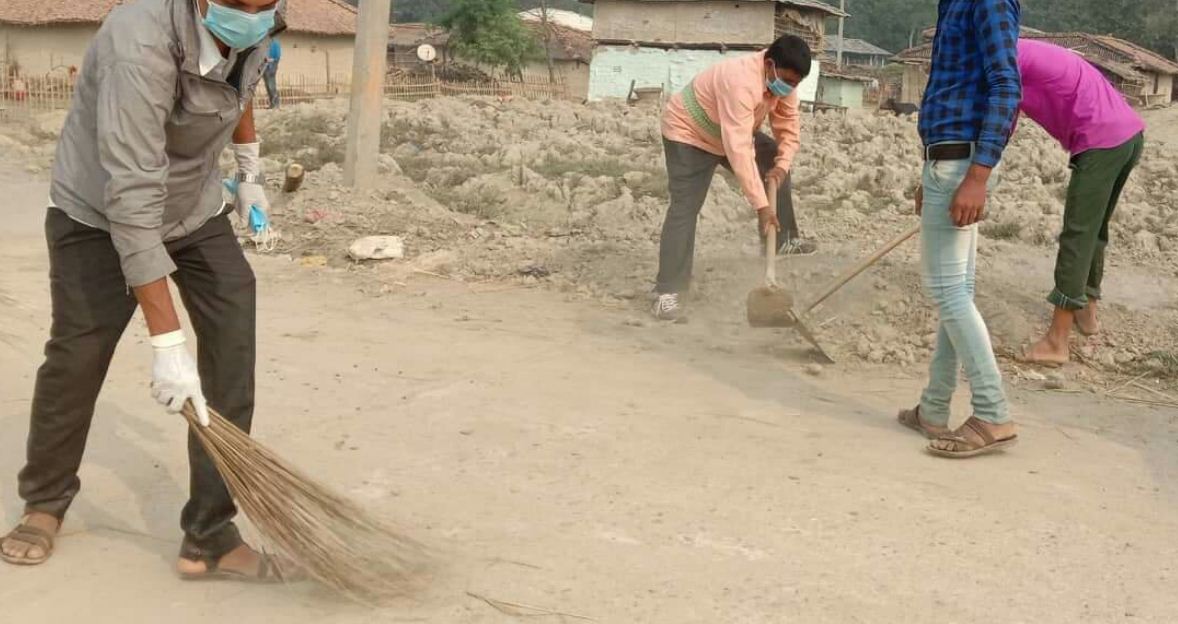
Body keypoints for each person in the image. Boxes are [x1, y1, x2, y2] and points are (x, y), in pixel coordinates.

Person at [1, 0, 294, 582]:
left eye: (267, 4)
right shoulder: (141, 42)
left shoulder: (262, 23)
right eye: (240, 4)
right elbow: (132, 198)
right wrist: (165, 342)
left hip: (194, 207)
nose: (254, 14)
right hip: (100, 212)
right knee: (79, 353)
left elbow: (242, 86)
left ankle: (209, 534)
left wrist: (250, 172)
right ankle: (45, 503)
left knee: (232, 346)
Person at [897, 0, 1021, 458]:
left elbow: (1007, 87)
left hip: (962, 164)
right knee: (957, 289)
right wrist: (929, 172)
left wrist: (977, 175)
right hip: (946, 161)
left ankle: (991, 412)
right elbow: (949, 91)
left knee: (947, 290)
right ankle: (933, 407)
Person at [652, 34, 815, 322]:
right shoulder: (740, 82)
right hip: (689, 133)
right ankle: (668, 293)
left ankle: (782, 240)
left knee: (774, 161)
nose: (789, 88)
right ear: (769, 64)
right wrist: (762, 207)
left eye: (795, 84)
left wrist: (782, 165)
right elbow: (739, 149)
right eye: (787, 81)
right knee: (685, 208)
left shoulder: (785, 83)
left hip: (730, 131)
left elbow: (789, 128)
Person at [1016, 39, 1145, 366]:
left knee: (1077, 234)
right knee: (1094, 228)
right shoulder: (1024, 50)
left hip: (1102, 140)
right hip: (1129, 136)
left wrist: (978, 173)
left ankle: (1057, 341)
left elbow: (1001, 119)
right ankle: (1087, 313)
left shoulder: (1005, 60)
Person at [264, 37, 281, 109]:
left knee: (271, 85)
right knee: (268, 85)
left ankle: (276, 104)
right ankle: (272, 104)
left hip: (272, 66)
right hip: (266, 65)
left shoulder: (275, 42)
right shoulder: (266, 42)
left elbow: (277, 56)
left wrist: (270, 60)